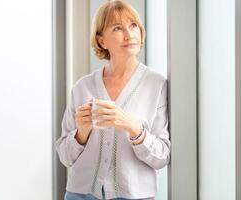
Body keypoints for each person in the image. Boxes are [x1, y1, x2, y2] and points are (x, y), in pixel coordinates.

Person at [55, 1, 171, 199]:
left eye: (133, 25)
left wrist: (133, 127)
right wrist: (82, 132)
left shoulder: (157, 85)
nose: (129, 34)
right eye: (118, 28)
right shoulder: (82, 87)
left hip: (134, 195)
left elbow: (162, 157)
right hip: (80, 194)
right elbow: (65, 156)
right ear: (102, 41)